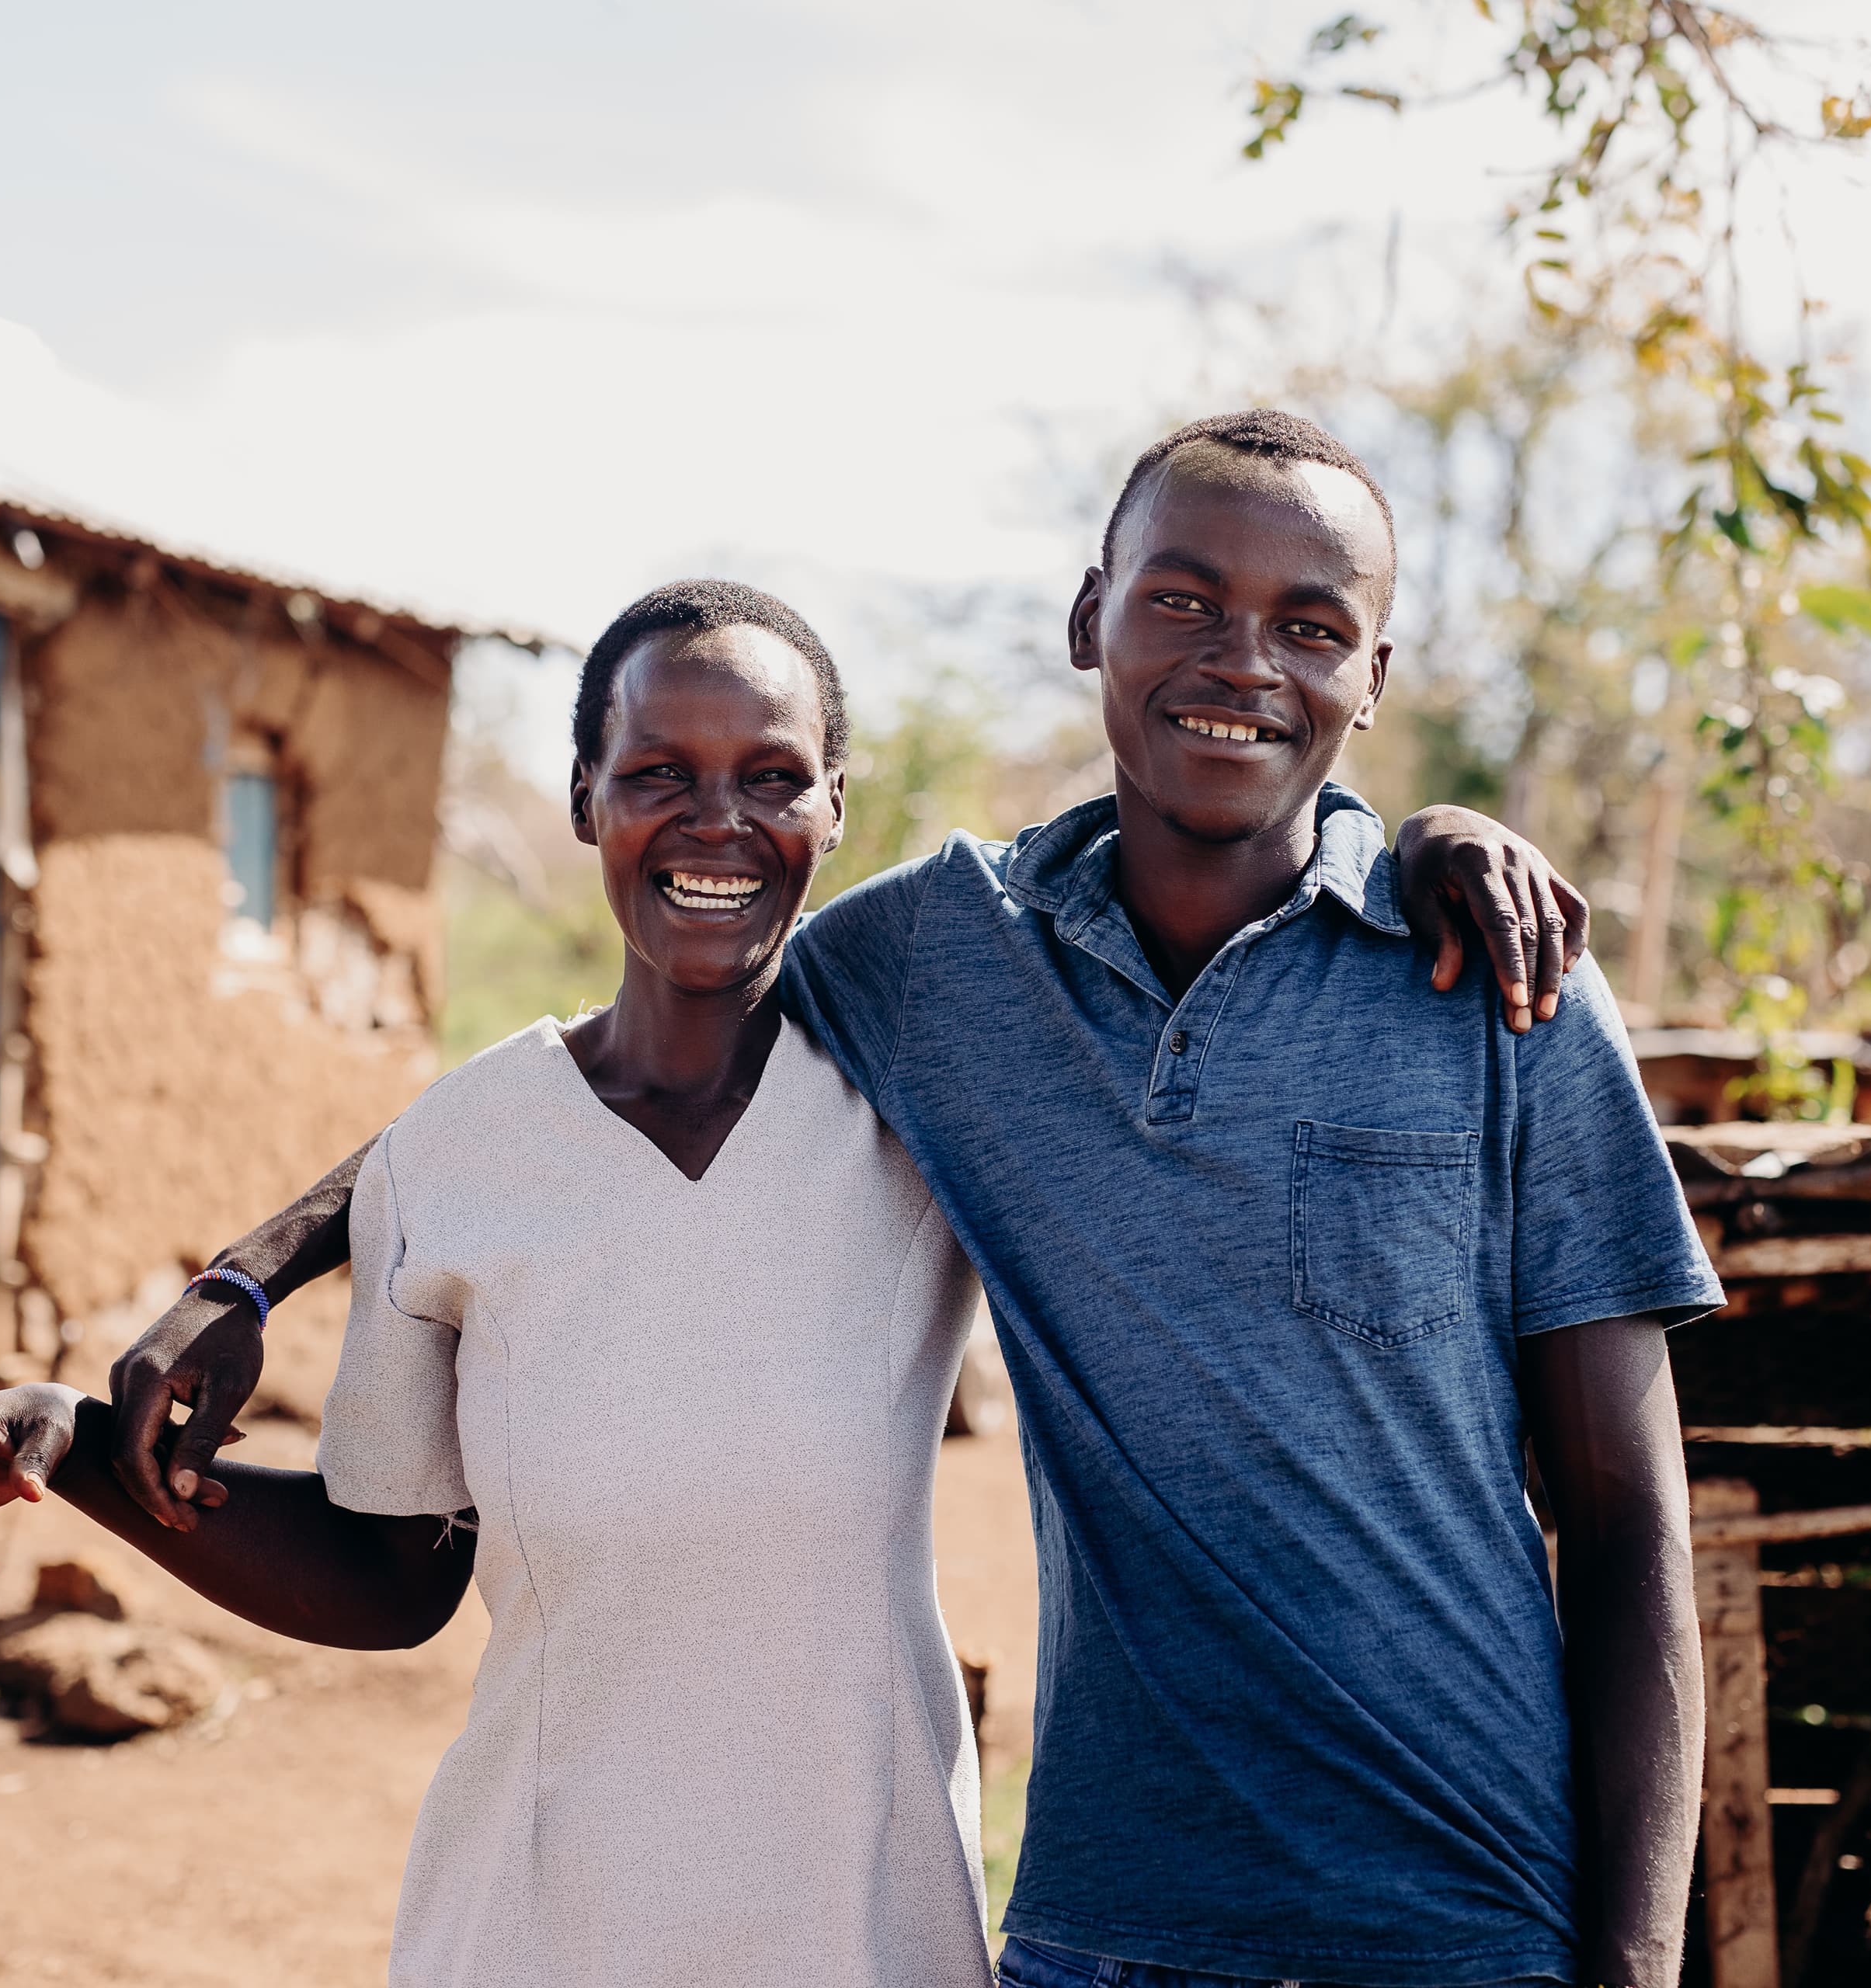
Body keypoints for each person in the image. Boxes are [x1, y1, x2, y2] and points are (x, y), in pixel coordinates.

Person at [88, 413, 1715, 1987]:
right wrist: (250, 1273)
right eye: (1183, 597)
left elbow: (1634, 1521)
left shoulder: (1501, 995)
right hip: (1105, 1925)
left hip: (1462, 1919)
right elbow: (548, 1102)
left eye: (1312, 622)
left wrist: (1635, 1965)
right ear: (1091, 618)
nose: (1242, 657)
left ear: (1375, 674)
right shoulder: (940, 963)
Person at [0, 583, 996, 1985]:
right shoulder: (463, 1152)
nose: (717, 821)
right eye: (657, 772)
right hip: (543, 1918)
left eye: (774, 777)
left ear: (835, 806)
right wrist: (76, 1442)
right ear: (582, 797)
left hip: (863, 1917)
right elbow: (391, 1579)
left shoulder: (924, 1103)